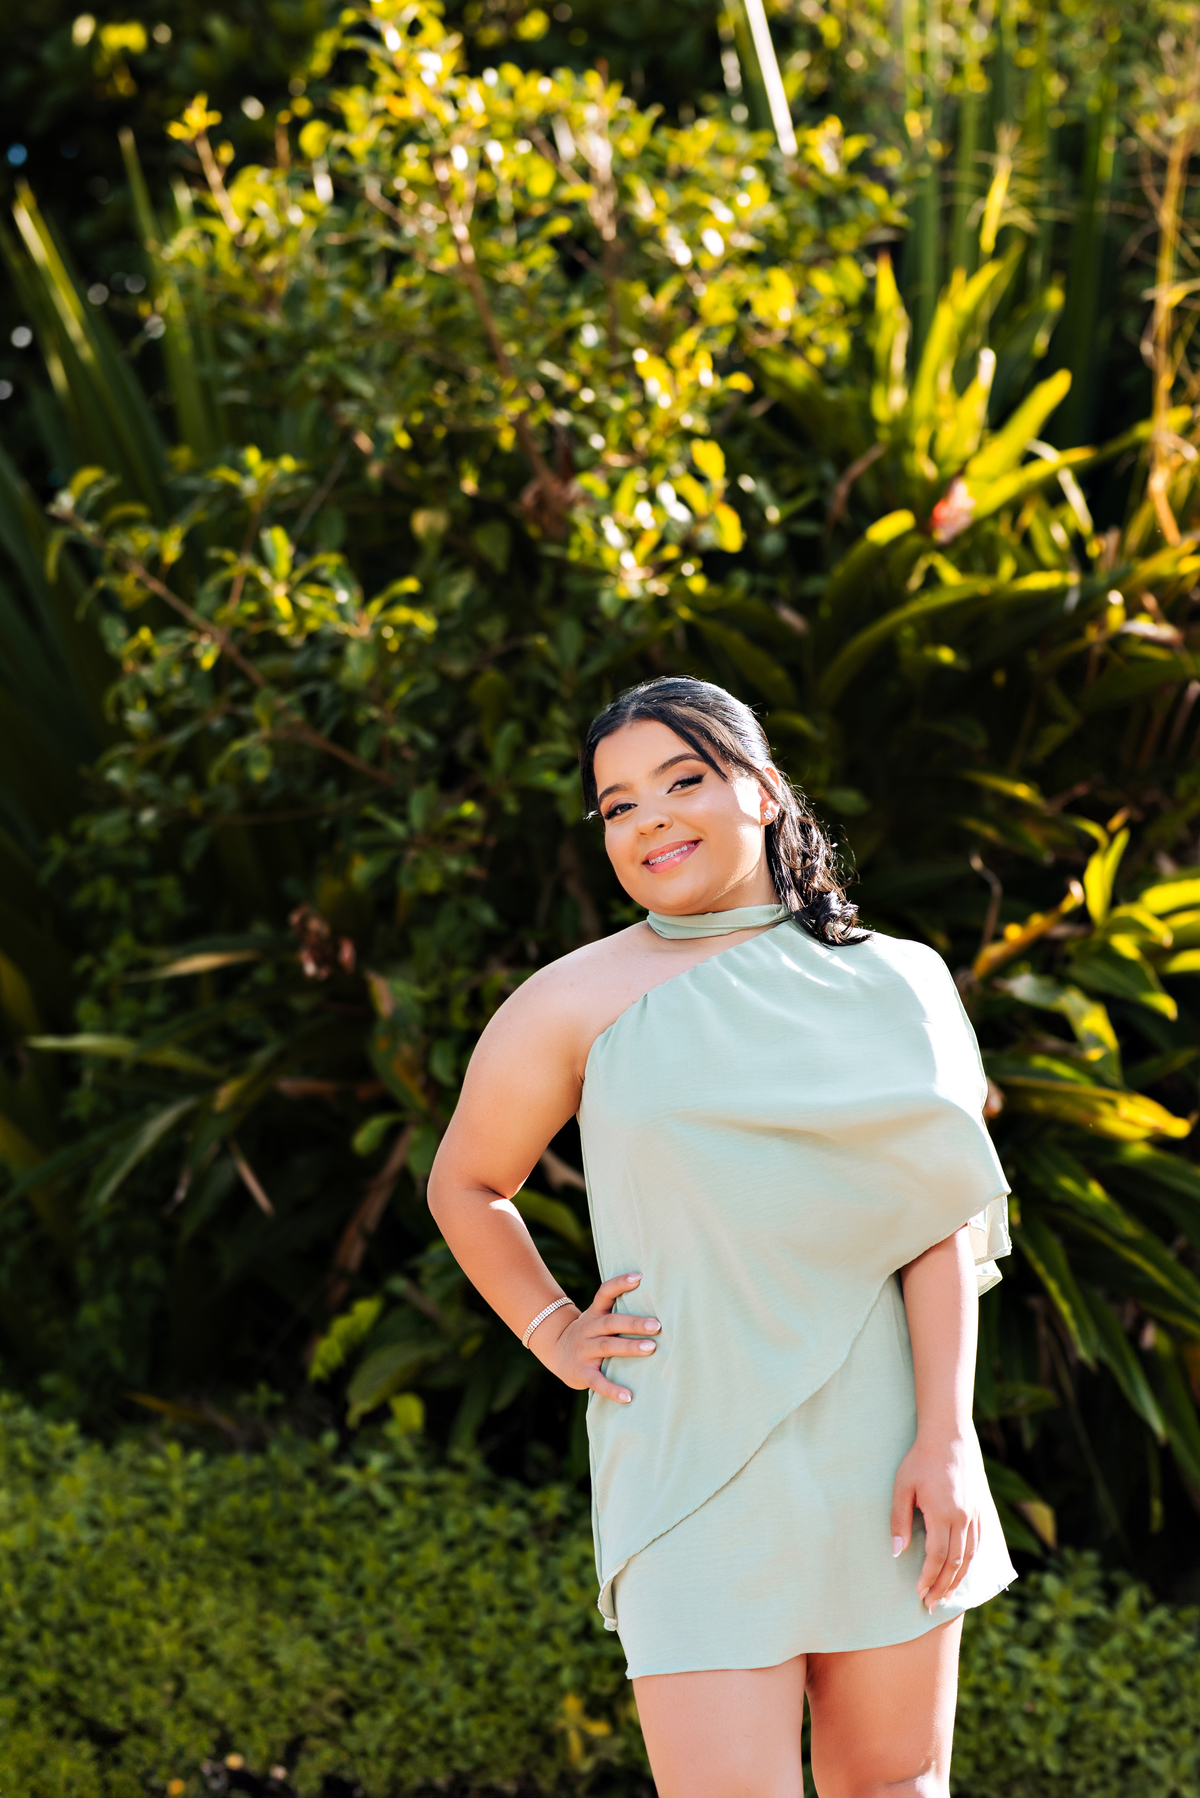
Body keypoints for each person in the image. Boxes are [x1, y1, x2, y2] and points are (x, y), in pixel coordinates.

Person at [428, 675, 1016, 1798]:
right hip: (683, 1457)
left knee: (897, 1787)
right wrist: (553, 1328)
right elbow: (466, 1183)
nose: (650, 819)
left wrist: (945, 1440)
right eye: (618, 806)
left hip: (885, 1448)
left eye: (682, 780)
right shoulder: (570, 1001)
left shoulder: (898, 978)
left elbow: (934, 1224)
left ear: (762, 788)